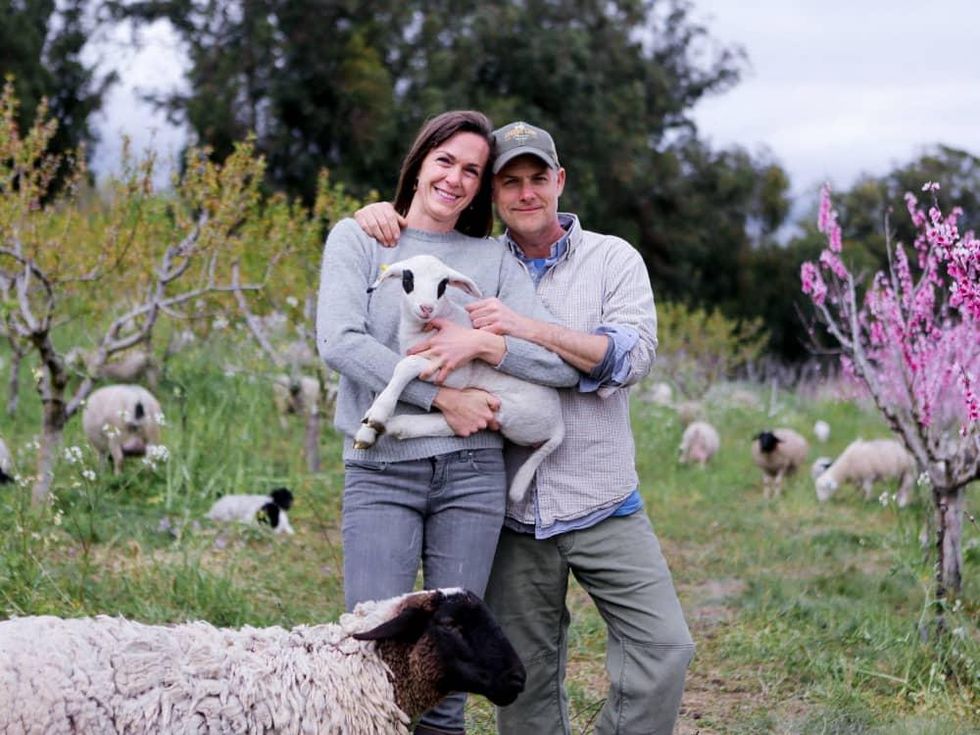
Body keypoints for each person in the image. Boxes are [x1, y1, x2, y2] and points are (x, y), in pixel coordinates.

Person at [355, 120, 695, 734]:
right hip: (509, 510)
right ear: (493, 193)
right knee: (524, 681)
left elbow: (627, 359)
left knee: (665, 648)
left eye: (538, 177)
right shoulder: (474, 260)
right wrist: (377, 214)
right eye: (510, 182)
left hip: (603, 498)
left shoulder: (612, 259)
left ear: (559, 180)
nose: (526, 192)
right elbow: (413, 246)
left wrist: (510, 332)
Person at [316, 111, 578, 735]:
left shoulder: (492, 260)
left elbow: (557, 362)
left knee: (451, 671)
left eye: (472, 171)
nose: (455, 179)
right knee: (369, 658)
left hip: (472, 476)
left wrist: (486, 346)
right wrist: (441, 398)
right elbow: (340, 342)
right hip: (382, 470)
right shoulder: (361, 239)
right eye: (445, 161)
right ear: (419, 163)